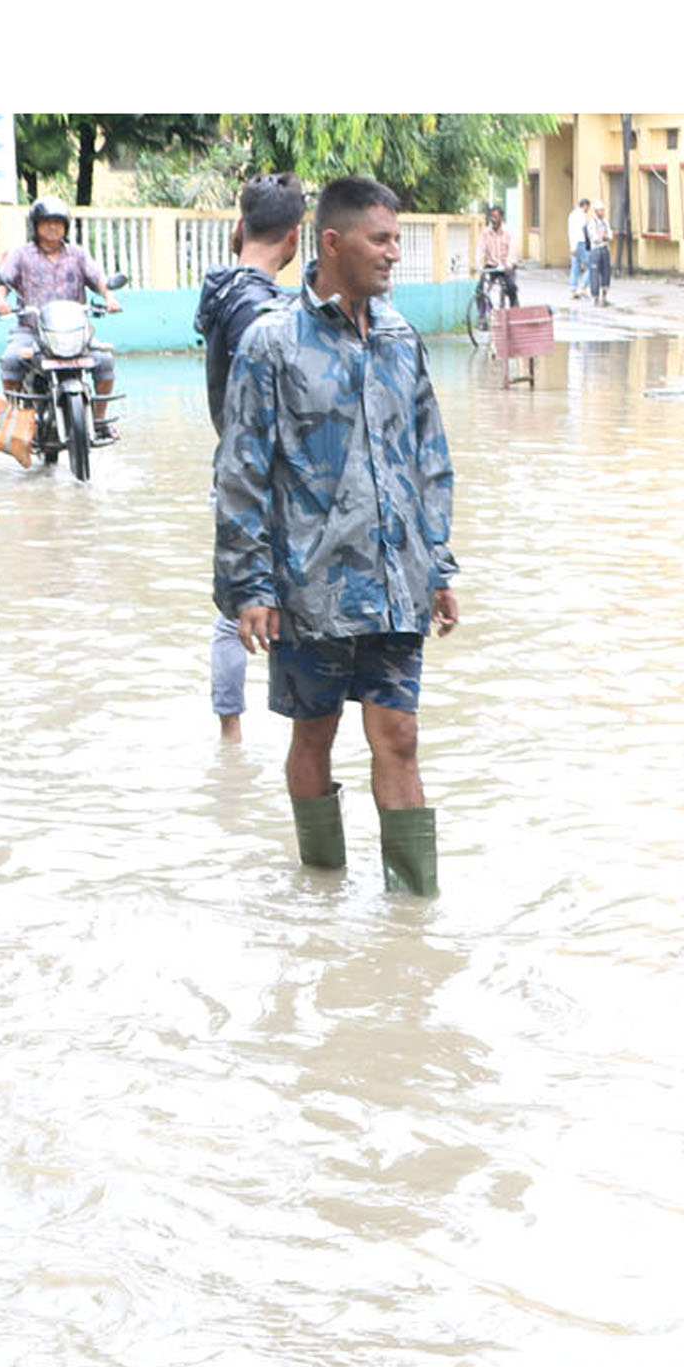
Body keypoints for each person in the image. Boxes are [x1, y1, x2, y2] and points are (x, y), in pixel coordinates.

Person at [216, 176, 458, 897]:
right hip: (310, 590)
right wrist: (253, 586)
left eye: (396, 240)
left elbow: (430, 458)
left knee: (400, 740)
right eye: (380, 239)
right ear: (330, 243)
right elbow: (241, 471)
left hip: (395, 584)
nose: (394, 255)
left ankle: (413, 914)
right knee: (314, 737)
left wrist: (438, 564)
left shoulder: (399, 337)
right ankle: (321, 893)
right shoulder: (270, 344)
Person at [196, 172, 307, 747]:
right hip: (265, 481)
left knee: (235, 607)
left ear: (239, 228)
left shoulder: (221, 295)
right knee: (268, 609)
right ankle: (248, 738)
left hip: (231, 471)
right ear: (295, 239)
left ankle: (232, 737)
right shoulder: (263, 313)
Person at [0, 195, 116, 440]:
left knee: (104, 361)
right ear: (35, 225)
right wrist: (1, 301)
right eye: (47, 222)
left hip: (75, 332)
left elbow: (98, 279)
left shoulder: (77, 255)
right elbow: (2, 281)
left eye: (58, 222)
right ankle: (16, 419)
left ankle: (99, 421)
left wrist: (109, 297)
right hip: (32, 330)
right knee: (11, 361)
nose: (52, 227)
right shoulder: (21, 254)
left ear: (66, 227)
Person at [474, 205, 519, 326]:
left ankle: (514, 308)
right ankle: (482, 316)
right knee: (480, 289)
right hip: (492, 266)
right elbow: (480, 249)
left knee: (511, 286)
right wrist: (478, 264)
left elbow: (513, 250)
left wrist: (509, 264)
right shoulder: (485, 232)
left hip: (506, 267)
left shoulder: (509, 232)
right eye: (491, 217)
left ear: (501, 218)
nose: (493, 219)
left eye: (495, 217)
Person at [566, 195, 592, 297]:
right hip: (581, 243)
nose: (588, 210)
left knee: (575, 267)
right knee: (591, 265)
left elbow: (570, 231)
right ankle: (583, 287)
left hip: (574, 243)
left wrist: (572, 246)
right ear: (585, 206)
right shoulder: (581, 216)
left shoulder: (572, 215)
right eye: (588, 208)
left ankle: (572, 289)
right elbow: (582, 231)